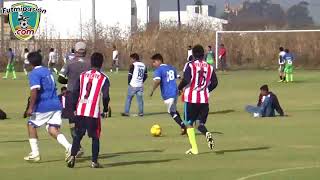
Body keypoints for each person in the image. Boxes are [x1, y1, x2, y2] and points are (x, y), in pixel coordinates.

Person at [24, 51, 72, 162]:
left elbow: (35, 90)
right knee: (52, 129)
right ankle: (69, 147)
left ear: (31, 63)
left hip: (44, 105)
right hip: (56, 104)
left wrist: (31, 107)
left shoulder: (34, 73)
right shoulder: (48, 71)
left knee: (31, 125)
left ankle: (35, 154)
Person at [67, 52, 110, 168]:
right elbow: (105, 96)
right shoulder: (104, 78)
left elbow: (75, 92)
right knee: (95, 137)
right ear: (101, 63)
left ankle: (72, 156)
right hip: (93, 112)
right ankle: (94, 162)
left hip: (81, 109)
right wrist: (106, 109)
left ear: (91, 62)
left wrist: (73, 107)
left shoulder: (82, 75)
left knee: (78, 135)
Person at [178, 45, 218, 155]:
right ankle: (207, 134)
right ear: (203, 54)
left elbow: (186, 79)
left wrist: (179, 88)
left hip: (191, 99)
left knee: (189, 124)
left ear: (193, 54)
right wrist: (205, 90)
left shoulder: (190, 65)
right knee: (199, 124)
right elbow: (215, 83)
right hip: (204, 100)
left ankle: (194, 149)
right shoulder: (209, 67)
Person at [58, 42, 91, 157]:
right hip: (87, 95)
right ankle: (79, 144)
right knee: (84, 119)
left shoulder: (70, 62)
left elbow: (60, 78)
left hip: (72, 94)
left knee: (72, 122)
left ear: (75, 51)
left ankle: (77, 147)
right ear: (85, 51)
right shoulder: (90, 63)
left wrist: (70, 81)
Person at [150, 53, 187, 135]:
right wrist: (183, 87)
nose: (153, 64)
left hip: (168, 94)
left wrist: (152, 90)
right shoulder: (171, 67)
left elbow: (157, 81)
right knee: (173, 110)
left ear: (159, 61)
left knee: (171, 112)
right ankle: (182, 126)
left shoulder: (159, 70)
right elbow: (180, 77)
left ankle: (183, 126)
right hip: (175, 92)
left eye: (154, 62)